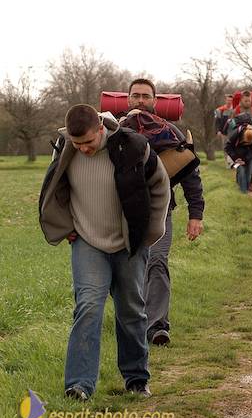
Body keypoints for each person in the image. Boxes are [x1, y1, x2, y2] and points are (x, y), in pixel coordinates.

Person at [39, 104, 170, 400]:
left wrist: (149, 234)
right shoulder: (65, 149)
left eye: (88, 142)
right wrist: (66, 226)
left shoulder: (133, 146)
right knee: (87, 307)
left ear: (101, 128)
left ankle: (136, 378)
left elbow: (160, 187)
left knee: (131, 310)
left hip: (128, 242)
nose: (83, 148)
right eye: (77, 143)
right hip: (87, 242)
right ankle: (79, 385)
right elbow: (54, 188)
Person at [127, 78, 205, 347]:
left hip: (161, 212)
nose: (140, 100)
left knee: (157, 262)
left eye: (145, 96)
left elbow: (190, 174)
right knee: (128, 269)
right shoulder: (114, 131)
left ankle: (158, 326)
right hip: (120, 215)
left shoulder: (169, 132)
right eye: (135, 95)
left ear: (154, 100)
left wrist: (196, 215)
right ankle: (133, 321)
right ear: (128, 99)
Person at [224, 123, 252, 194]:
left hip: (248, 155)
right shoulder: (236, 134)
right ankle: (243, 191)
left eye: (249, 143)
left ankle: (247, 188)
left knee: (249, 173)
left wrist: (245, 159)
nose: (247, 143)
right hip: (236, 155)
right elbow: (227, 147)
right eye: (246, 142)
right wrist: (235, 159)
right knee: (241, 171)